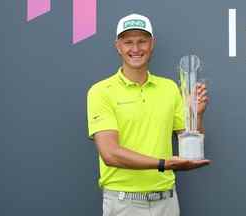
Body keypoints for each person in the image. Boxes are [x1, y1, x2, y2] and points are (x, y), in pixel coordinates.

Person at [87, 13, 210, 216]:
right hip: (123, 203)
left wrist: (195, 115)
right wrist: (164, 164)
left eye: (142, 41)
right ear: (118, 46)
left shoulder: (169, 88)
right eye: (128, 42)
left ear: (152, 44)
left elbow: (190, 145)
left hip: (167, 201)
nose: (135, 49)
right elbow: (110, 154)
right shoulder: (101, 91)